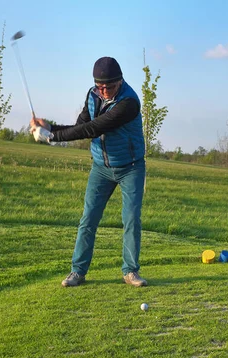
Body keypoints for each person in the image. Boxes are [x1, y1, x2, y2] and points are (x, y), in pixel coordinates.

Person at [30, 56, 147, 288]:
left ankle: (130, 272)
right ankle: (78, 272)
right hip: (101, 168)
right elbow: (80, 125)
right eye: (100, 86)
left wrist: (52, 137)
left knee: (131, 219)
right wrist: (50, 127)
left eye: (109, 87)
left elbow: (95, 128)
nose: (104, 91)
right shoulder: (92, 95)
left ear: (120, 81)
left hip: (130, 167)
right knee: (88, 219)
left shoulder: (129, 103)